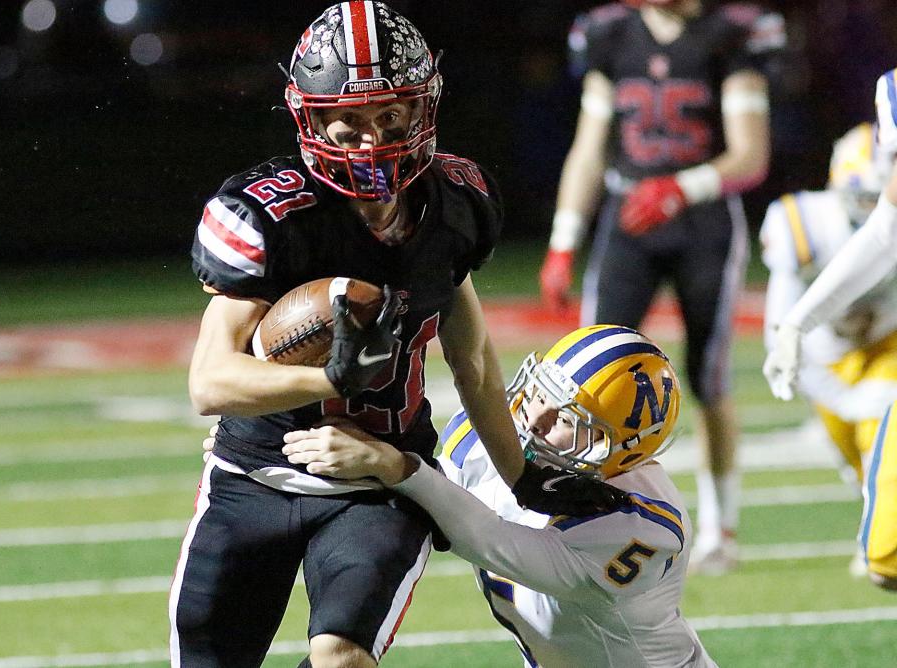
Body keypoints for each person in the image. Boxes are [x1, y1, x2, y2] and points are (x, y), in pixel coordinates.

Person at [169, 3, 625, 666]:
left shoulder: (455, 203)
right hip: (254, 477)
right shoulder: (275, 215)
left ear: (423, 111)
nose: (370, 137)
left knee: (342, 657)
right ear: (312, 117)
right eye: (347, 119)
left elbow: (470, 356)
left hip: (379, 483)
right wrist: (326, 379)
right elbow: (209, 383)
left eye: (391, 115)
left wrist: (522, 477)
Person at [275, 324, 718, 667]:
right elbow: (419, 502)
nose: (535, 418)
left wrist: (394, 464)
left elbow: (489, 539)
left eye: (568, 419)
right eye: (541, 392)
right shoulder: (480, 439)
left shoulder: (640, 526)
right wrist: (272, 449)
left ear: (617, 449)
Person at [538, 0, 784, 574]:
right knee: (586, 378)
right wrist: (563, 238)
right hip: (628, 220)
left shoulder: (731, 34)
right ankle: (579, 516)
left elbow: (750, 155)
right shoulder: (610, 34)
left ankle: (721, 528)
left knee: (708, 376)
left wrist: (680, 188)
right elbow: (589, 148)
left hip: (704, 222)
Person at [764, 67, 897, 591]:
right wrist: (797, 322)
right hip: (841, 350)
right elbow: (886, 232)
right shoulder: (890, 90)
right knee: (885, 558)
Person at [761, 123, 897, 488]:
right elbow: (779, 332)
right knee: (860, 479)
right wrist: (844, 400)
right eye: (867, 200)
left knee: (883, 461)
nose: (875, 213)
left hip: (890, 340)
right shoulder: (804, 224)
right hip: (828, 356)